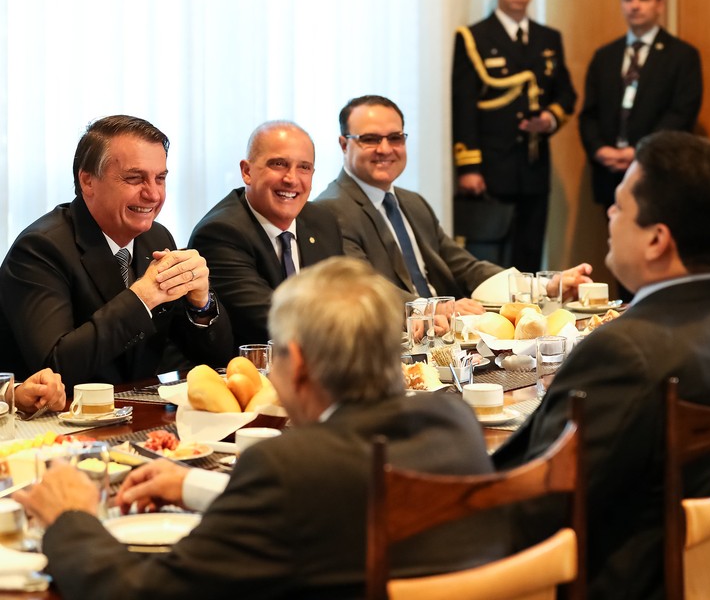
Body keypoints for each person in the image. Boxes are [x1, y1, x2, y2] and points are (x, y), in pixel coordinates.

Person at [14, 257, 506, 599]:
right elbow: (328, 501)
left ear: (299, 365)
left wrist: (69, 519)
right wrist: (197, 485)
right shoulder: (453, 422)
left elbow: (140, 593)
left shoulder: (288, 466)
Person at [493, 131, 710, 599]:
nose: (610, 216)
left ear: (658, 239)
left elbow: (539, 504)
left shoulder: (625, 352)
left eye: (619, 206)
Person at [0, 115, 233, 387]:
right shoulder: (40, 248)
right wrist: (142, 298)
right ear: (88, 181)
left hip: (137, 411)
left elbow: (217, 360)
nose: (154, 195)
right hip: (55, 422)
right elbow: (56, 366)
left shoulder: (156, 237)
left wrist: (201, 303)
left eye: (160, 178)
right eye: (135, 179)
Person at [316, 95, 592, 315]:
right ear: (344, 144)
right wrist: (436, 308)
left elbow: (466, 267)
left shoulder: (412, 203)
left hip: (453, 337)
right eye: (370, 139)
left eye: (395, 138)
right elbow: (363, 290)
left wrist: (545, 286)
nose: (385, 149)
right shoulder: (330, 210)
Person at [451, 0, 577, 271]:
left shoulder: (548, 38)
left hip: (534, 167)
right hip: (491, 169)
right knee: (489, 261)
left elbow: (566, 94)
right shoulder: (474, 37)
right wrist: (469, 167)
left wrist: (549, 118)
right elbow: (464, 105)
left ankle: (530, 320)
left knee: (530, 257)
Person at [188, 120, 344, 345]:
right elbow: (273, 321)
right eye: (279, 164)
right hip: (252, 371)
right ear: (247, 171)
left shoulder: (322, 220)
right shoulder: (220, 233)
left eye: (304, 167)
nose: (291, 179)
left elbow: (347, 294)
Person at [579, 0, 702, 211]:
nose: (635, 6)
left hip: (657, 171)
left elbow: (682, 113)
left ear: (659, 4)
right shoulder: (604, 56)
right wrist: (599, 149)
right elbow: (589, 114)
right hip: (610, 173)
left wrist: (639, 151)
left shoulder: (682, 56)